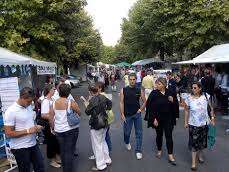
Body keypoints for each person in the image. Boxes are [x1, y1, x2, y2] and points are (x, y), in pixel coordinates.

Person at [3, 87, 45, 172]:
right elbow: (8, 133)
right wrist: (28, 131)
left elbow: (29, 122)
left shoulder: (28, 106)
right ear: (21, 98)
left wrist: (36, 128)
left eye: (31, 101)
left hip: (33, 144)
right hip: (20, 147)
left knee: (40, 167)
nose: (30, 103)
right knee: (25, 170)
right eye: (28, 101)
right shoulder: (11, 111)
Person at [184, 82, 215, 171]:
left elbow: (210, 108)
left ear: (200, 88)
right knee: (194, 143)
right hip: (193, 124)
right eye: (192, 88)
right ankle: (193, 162)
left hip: (204, 123)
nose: (193, 89)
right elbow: (186, 110)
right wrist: (185, 122)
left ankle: (200, 155)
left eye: (195, 88)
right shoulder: (189, 98)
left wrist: (212, 118)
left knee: (202, 140)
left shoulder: (205, 96)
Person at [145, 77, 177, 165]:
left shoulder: (170, 92)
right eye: (156, 84)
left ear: (164, 85)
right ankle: (159, 150)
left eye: (159, 84)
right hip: (158, 119)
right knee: (159, 135)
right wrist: (153, 118)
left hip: (168, 118)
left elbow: (176, 105)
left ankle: (170, 155)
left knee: (169, 136)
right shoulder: (154, 93)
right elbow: (149, 107)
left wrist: (173, 101)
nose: (156, 85)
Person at [50, 84, 80, 172]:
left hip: (59, 130)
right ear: (69, 92)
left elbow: (51, 117)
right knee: (69, 152)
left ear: (59, 92)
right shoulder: (71, 102)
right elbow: (79, 112)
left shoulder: (54, 103)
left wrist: (52, 128)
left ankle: (65, 169)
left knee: (63, 151)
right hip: (70, 129)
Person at [120, 73, 146, 160]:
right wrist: (122, 114)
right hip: (127, 115)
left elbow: (145, 101)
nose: (132, 81)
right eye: (130, 79)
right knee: (127, 132)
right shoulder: (123, 90)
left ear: (136, 80)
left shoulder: (139, 90)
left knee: (139, 133)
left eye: (133, 79)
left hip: (137, 115)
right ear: (128, 80)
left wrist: (141, 109)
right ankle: (126, 142)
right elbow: (121, 102)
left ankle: (138, 150)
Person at [85, 84, 112, 171]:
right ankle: (107, 159)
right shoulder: (103, 97)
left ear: (91, 92)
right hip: (104, 122)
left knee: (97, 145)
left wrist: (88, 103)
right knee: (103, 141)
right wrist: (104, 111)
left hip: (96, 124)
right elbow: (110, 104)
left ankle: (101, 165)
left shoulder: (92, 99)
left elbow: (87, 112)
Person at [41, 84, 61, 168]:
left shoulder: (52, 99)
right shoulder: (45, 101)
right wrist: (53, 116)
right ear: (49, 90)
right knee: (51, 143)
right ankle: (52, 161)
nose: (55, 90)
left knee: (56, 142)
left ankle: (57, 158)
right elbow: (43, 115)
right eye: (53, 89)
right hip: (49, 125)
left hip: (54, 124)